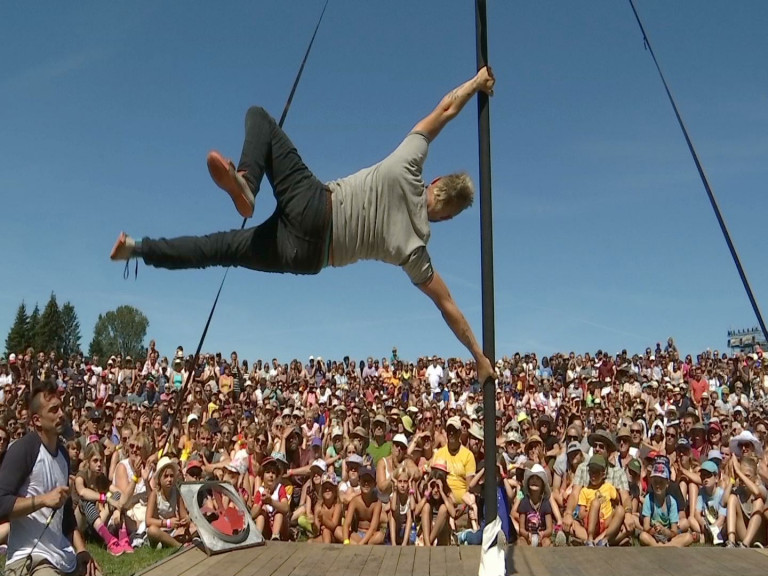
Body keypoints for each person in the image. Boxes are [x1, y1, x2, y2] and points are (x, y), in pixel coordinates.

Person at [110, 68, 497, 386]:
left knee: (259, 117)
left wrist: (476, 83)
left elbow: (445, 110)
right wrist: (478, 357)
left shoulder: (409, 164)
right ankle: (137, 248)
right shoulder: (416, 250)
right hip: (307, 256)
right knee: (219, 248)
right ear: (446, 216)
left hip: (317, 206)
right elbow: (449, 307)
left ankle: (246, 182)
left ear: (435, 183)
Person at [0, 378, 101, 576]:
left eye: (61, 408)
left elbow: (67, 518)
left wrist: (81, 550)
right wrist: (43, 500)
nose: (62, 414)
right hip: (30, 559)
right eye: (53, 410)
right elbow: (1, 502)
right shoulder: (23, 450)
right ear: (37, 420)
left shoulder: (63, 455)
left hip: (62, 555)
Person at [341, 467, 384, 545]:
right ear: (359, 482)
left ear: (374, 484)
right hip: (357, 534)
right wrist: (346, 540)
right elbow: (347, 523)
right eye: (364, 480)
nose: (366, 483)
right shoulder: (355, 501)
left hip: (371, 536)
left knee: (380, 536)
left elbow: (373, 528)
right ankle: (359, 545)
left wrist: (361, 543)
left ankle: (357, 545)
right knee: (338, 530)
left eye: (369, 481)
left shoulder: (377, 503)